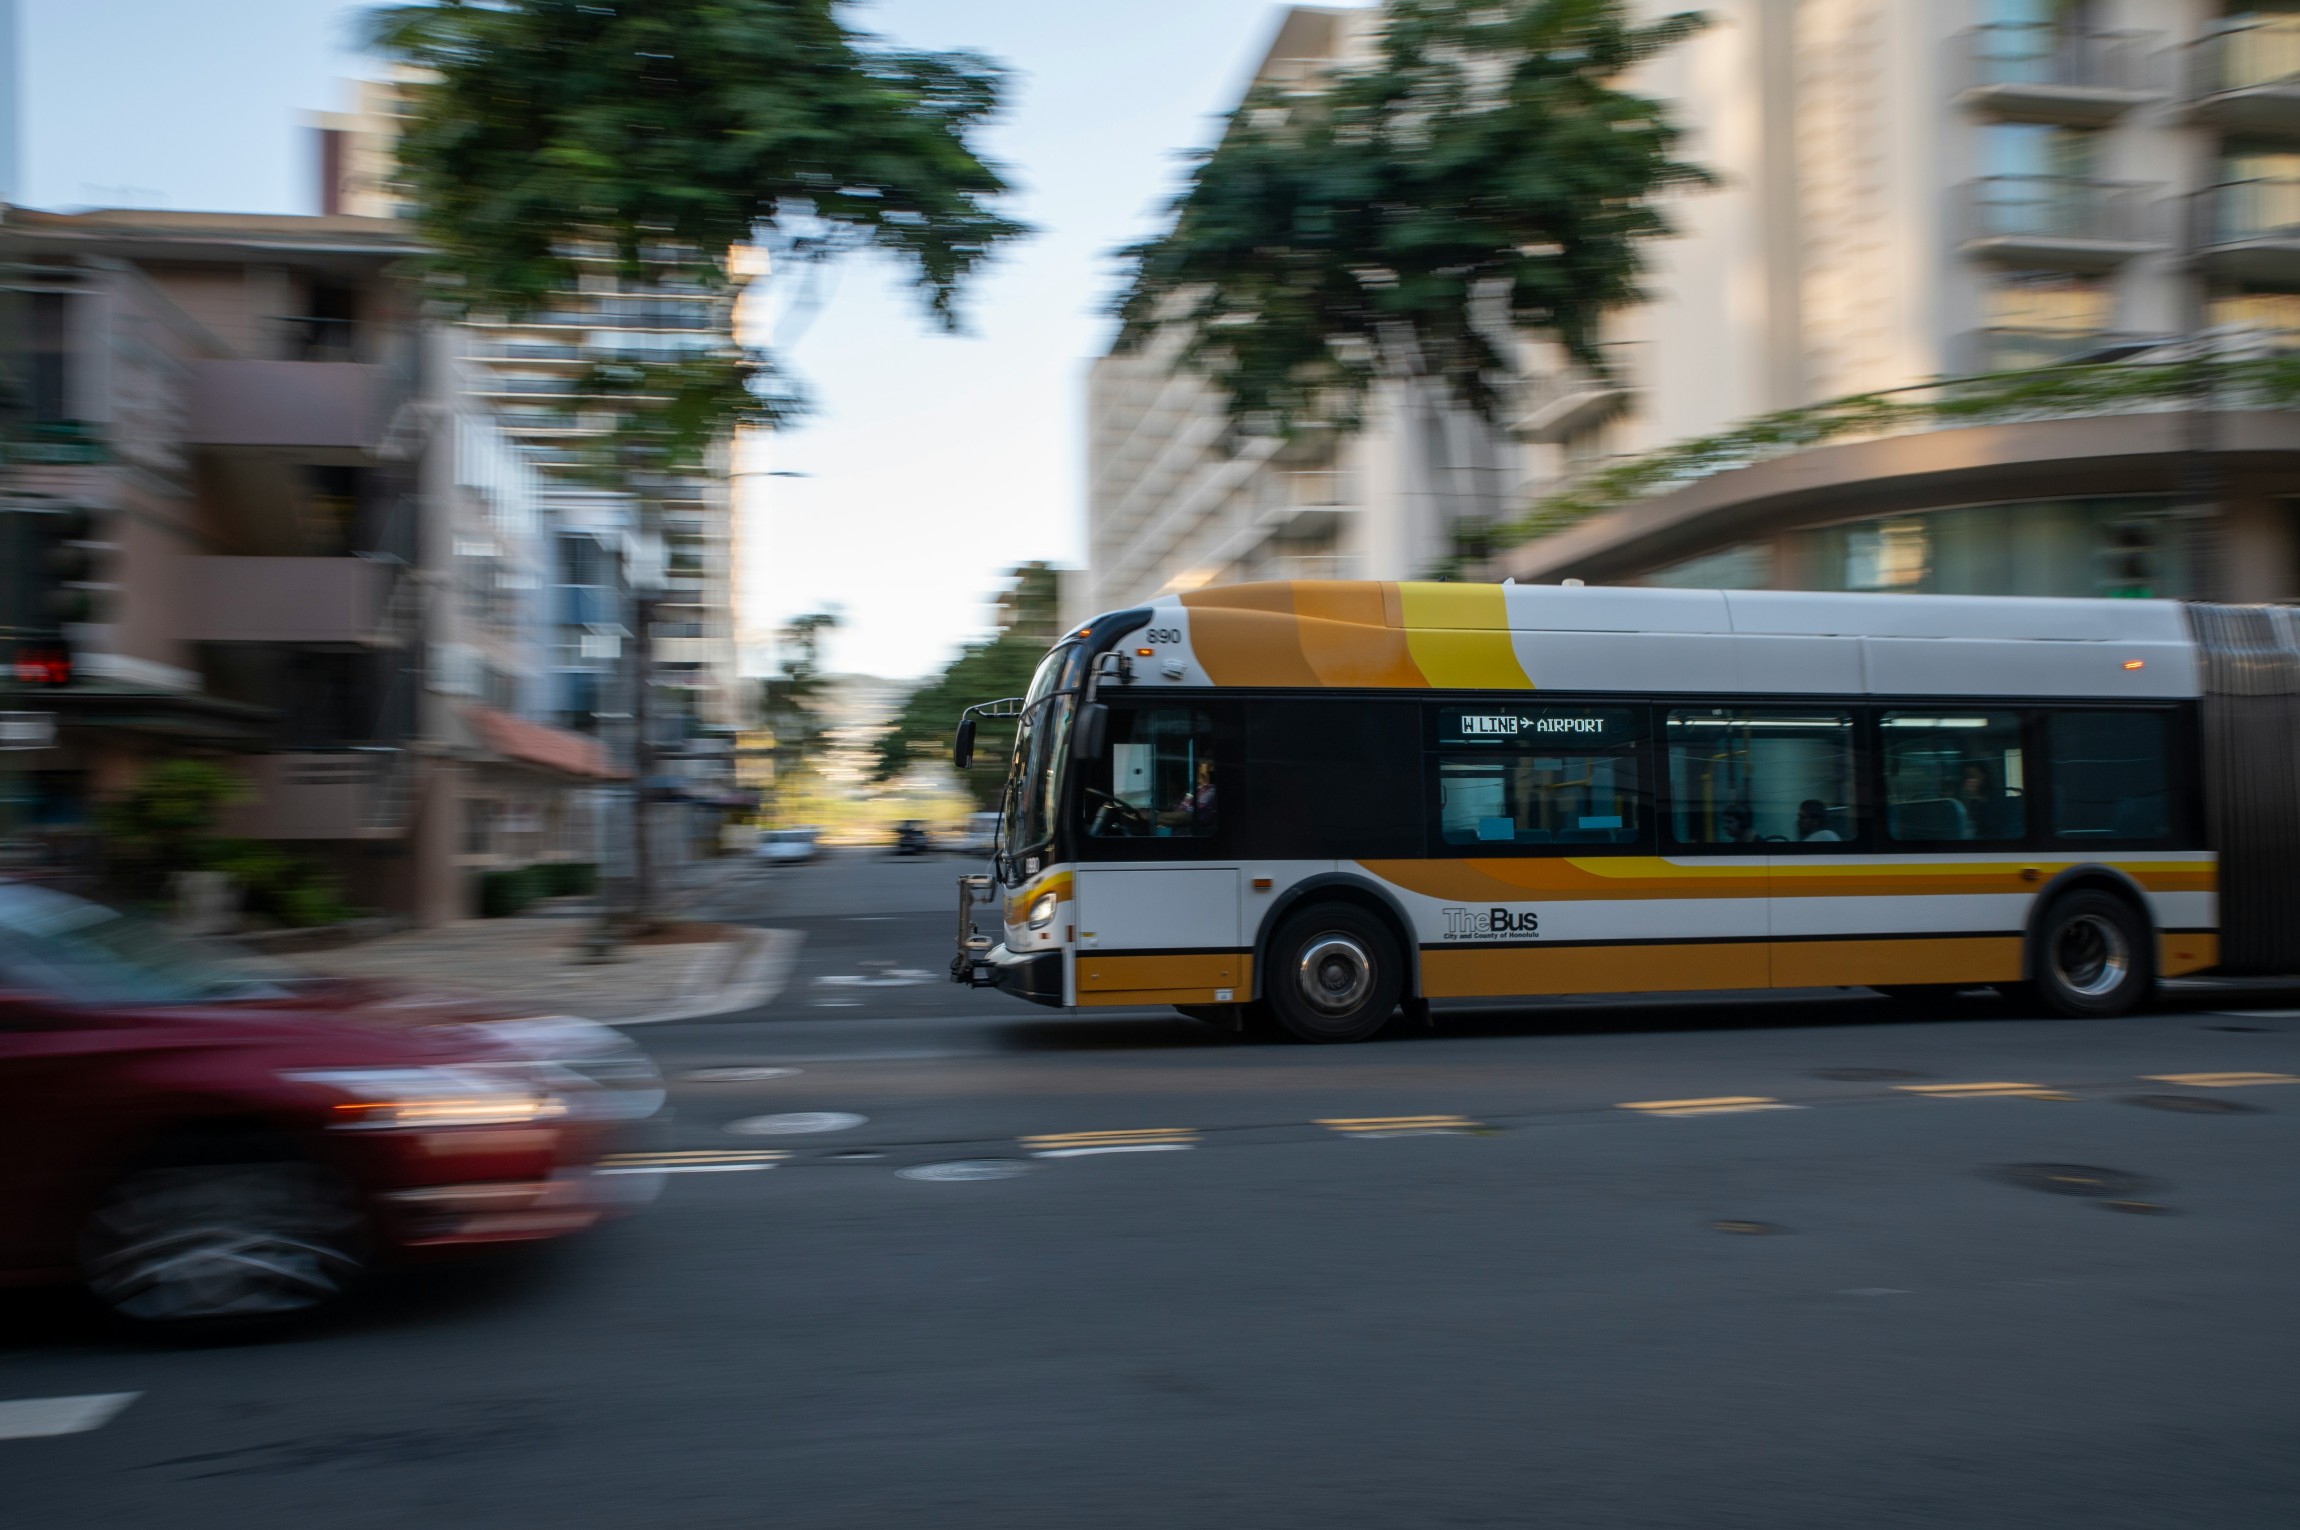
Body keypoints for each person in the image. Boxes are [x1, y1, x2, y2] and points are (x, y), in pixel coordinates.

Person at [1160, 758, 1217, 831]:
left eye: (1207, 759)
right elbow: (1179, 808)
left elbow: (1189, 815)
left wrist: (1153, 817)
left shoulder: (1212, 791)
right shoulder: (1194, 790)